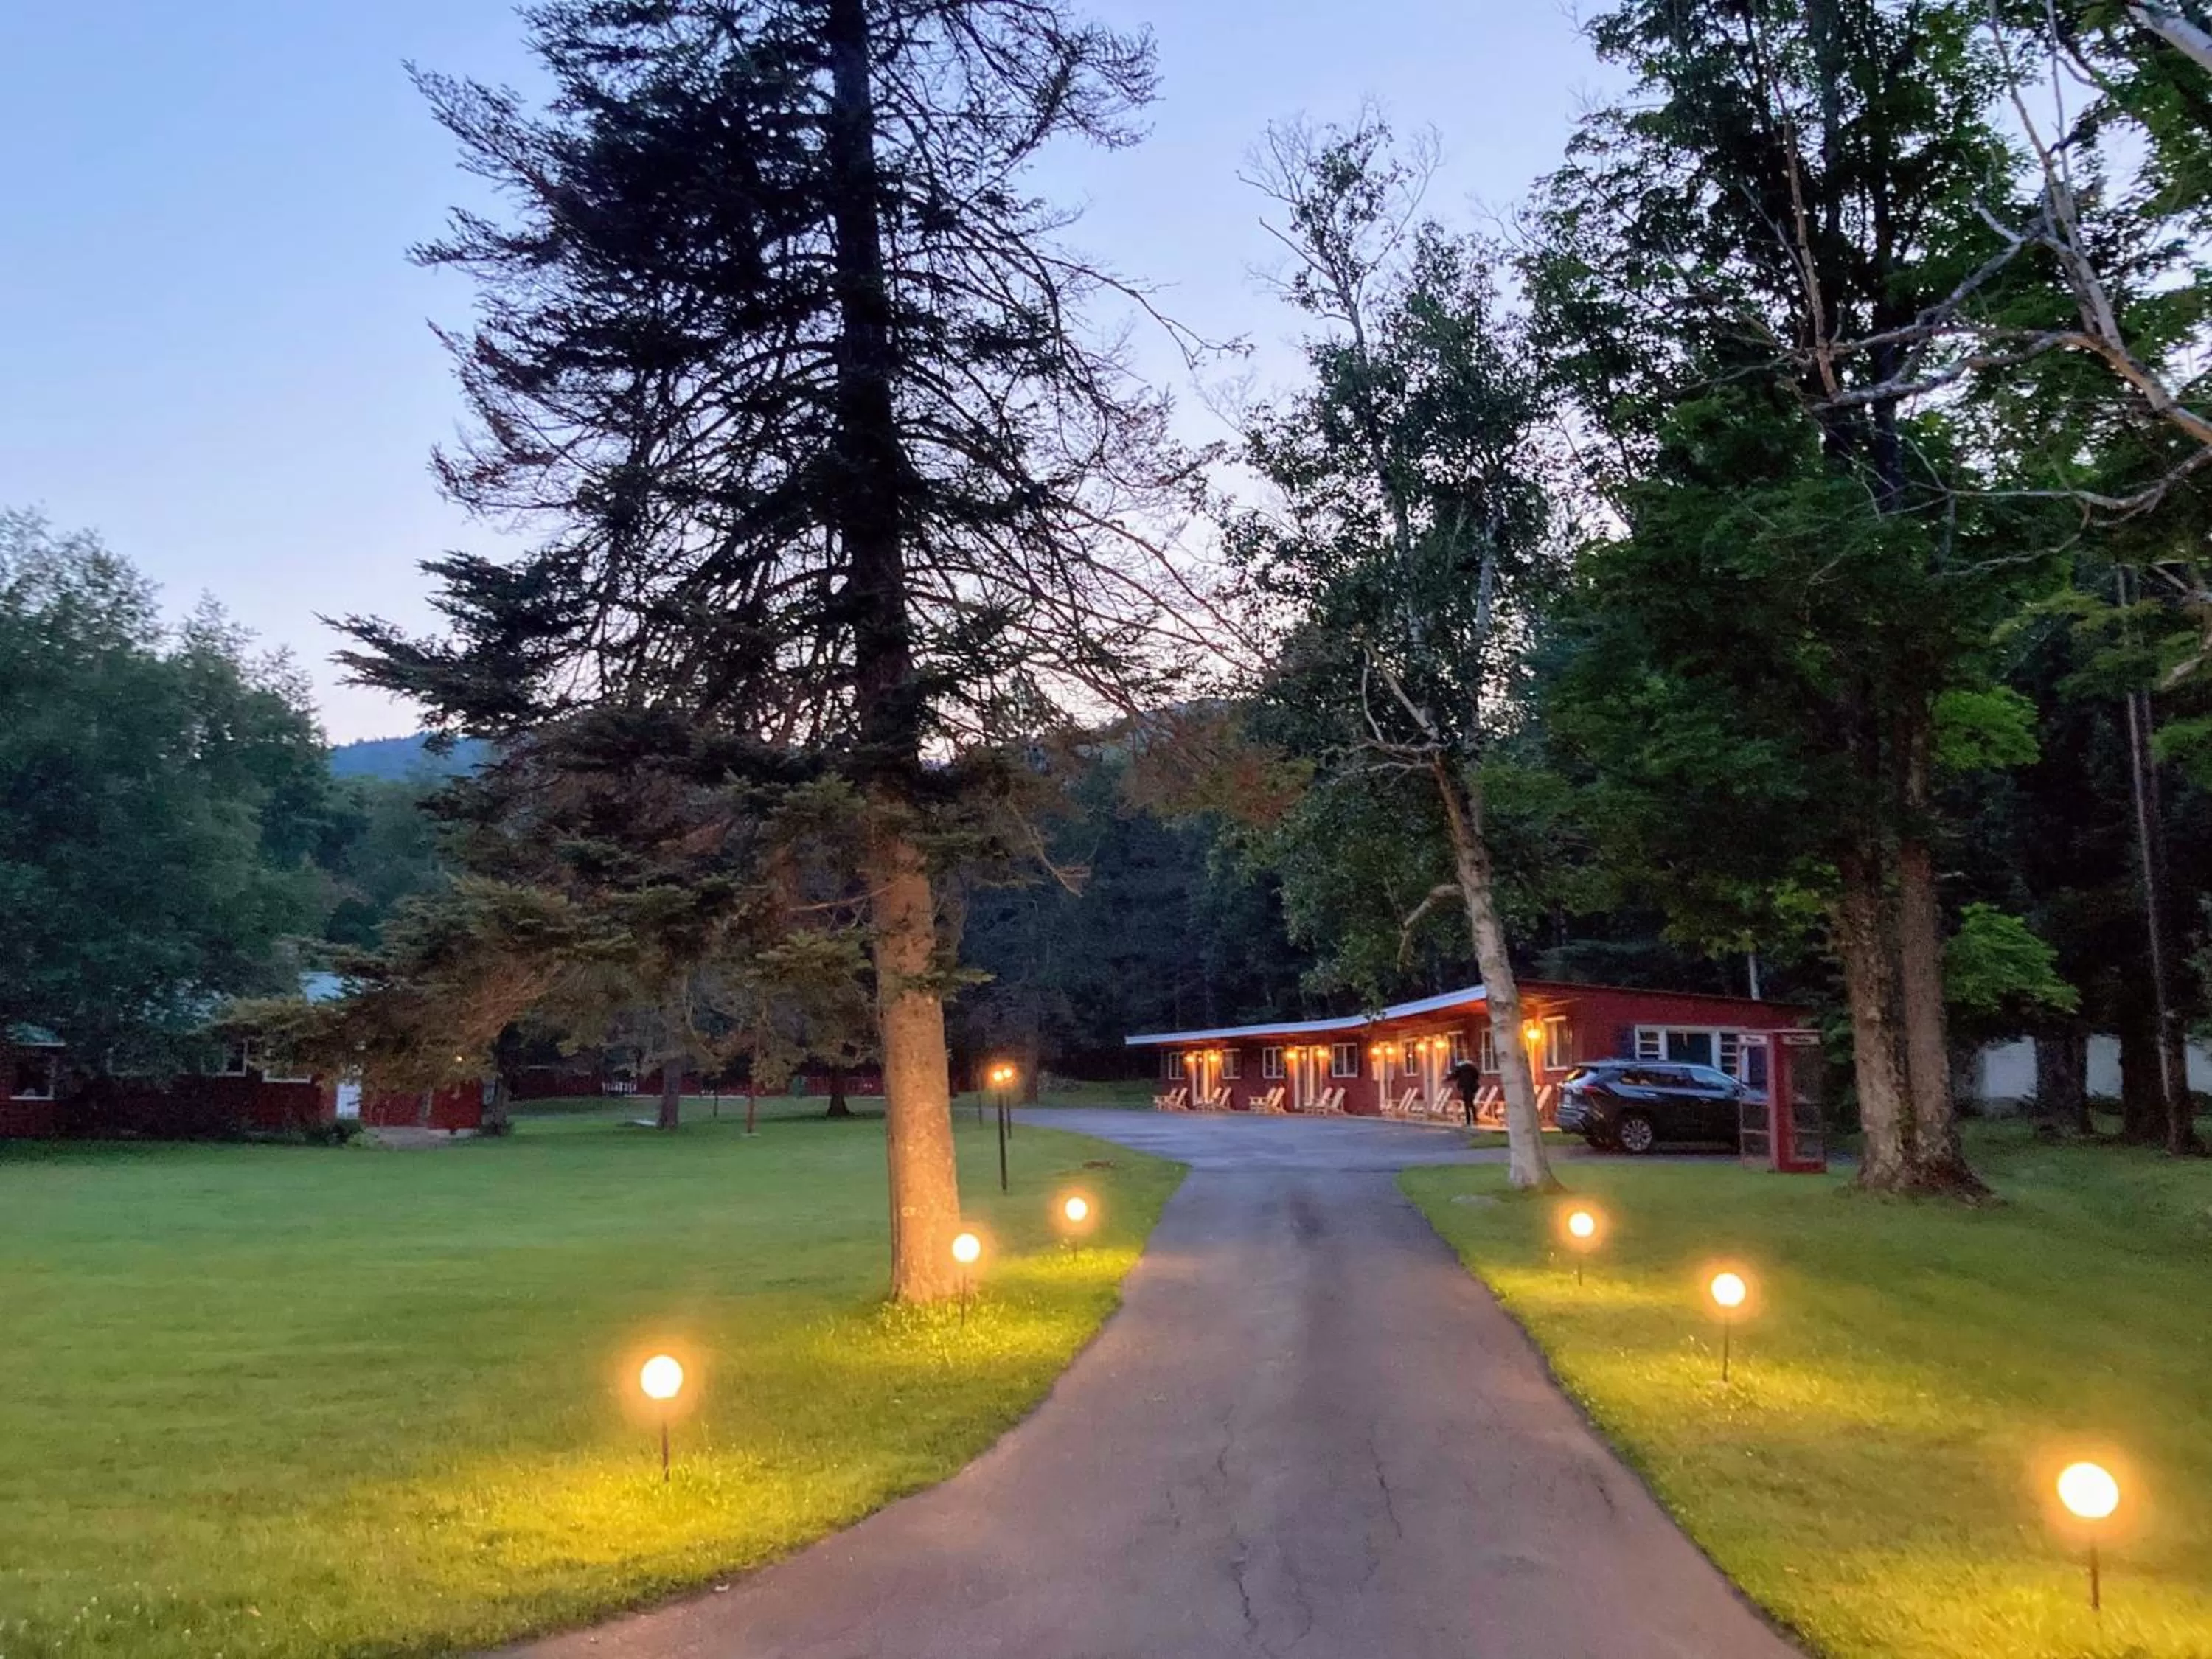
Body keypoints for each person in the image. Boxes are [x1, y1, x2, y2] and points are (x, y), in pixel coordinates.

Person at [1448, 1057, 1483, 1127]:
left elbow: (1454, 1076)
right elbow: (1477, 1077)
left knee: (1466, 1104)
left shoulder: (1460, 1069)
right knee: (1471, 1102)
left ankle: (1468, 1120)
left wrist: (1446, 1079)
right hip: (1472, 1087)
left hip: (1464, 1087)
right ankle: (1475, 1118)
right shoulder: (1473, 1069)